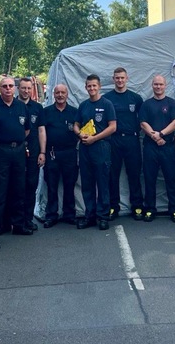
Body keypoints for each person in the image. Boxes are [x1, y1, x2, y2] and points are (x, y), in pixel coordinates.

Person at [0, 77, 31, 237]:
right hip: (0, 151)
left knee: (18, 188)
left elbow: (26, 130)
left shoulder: (21, 106)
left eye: (11, 86)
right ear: (0, 89)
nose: (8, 88)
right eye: (5, 86)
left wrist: (16, 141)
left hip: (18, 150)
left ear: (15, 88)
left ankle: (18, 224)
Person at [73, 74, 117, 230]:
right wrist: (80, 134)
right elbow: (76, 124)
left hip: (101, 147)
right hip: (85, 148)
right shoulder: (83, 105)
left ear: (99, 87)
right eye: (89, 86)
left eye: (94, 86)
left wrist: (95, 138)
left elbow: (112, 127)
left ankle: (103, 216)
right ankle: (89, 216)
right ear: (86, 87)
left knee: (102, 183)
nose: (91, 88)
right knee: (87, 183)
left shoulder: (107, 104)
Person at [139, 75, 175, 222]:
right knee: (149, 179)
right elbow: (143, 123)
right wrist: (154, 136)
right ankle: (150, 209)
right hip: (151, 146)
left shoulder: (172, 103)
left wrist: (161, 134)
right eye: (156, 84)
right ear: (152, 86)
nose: (158, 87)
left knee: (171, 178)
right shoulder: (146, 104)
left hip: (168, 146)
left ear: (165, 86)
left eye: (161, 84)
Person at [105, 68, 144, 221]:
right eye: (117, 78)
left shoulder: (136, 98)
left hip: (131, 140)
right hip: (113, 140)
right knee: (112, 175)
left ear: (127, 78)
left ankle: (137, 206)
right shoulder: (107, 99)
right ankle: (113, 206)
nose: (120, 80)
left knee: (134, 174)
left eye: (122, 78)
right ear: (113, 79)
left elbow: (142, 120)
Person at [41, 84, 79, 228]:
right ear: (53, 94)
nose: (60, 95)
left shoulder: (75, 112)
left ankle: (69, 214)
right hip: (52, 153)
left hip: (70, 152)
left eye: (63, 92)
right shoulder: (46, 112)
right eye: (58, 93)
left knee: (69, 185)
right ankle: (51, 215)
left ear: (67, 94)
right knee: (51, 185)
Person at [18, 77, 45, 231]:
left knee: (31, 185)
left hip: (33, 151)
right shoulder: (13, 106)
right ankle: (15, 219)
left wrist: (42, 152)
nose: (26, 91)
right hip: (15, 152)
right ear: (18, 89)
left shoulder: (37, 108)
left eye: (29, 88)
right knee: (16, 186)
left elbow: (41, 130)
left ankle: (28, 219)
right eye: (23, 88)